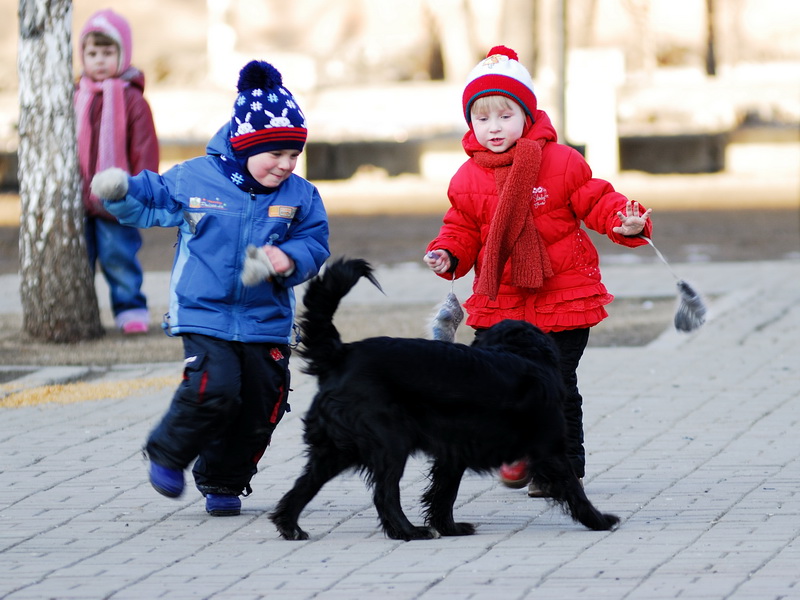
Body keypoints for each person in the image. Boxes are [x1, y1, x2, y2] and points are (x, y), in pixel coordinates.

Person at [90, 60, 330, 516]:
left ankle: (223, 480)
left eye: (293, 154)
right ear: (244, 146)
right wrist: (120, 192)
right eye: (274, 154)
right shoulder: (196, 178)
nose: (285, 165)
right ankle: (167, 452)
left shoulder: (300, 195)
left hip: (265, 321)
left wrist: (290, 258)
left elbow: (315, 242)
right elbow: (153, 200)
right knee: (216, 385)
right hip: (204, 311)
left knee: (262, 402)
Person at [423, 46, 652, 497]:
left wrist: (624, 220)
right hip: (501, 303)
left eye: (505, 115)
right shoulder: (467, 178)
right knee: (495, 384)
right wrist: (447, 253)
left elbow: (597, 199)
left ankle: (560, 469)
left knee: (556, 386)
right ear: (470, 123)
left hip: (563, 299)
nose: (494, 127)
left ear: (527, 115)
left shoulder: (561, 162)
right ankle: (519, 449)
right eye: (482, 118)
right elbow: (463, 228)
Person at [75, 9, 158, 334]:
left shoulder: (132, 100)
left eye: (107, 53)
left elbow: (145, 149)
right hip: (79, 200)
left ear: (122, 54)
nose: (98, 60)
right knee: (81, 258)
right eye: (91, 53)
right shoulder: (76, 96)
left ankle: (130, 308)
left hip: (116, 199)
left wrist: (139, 190)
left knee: (118, 257)